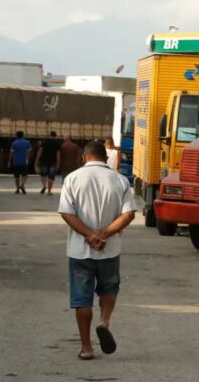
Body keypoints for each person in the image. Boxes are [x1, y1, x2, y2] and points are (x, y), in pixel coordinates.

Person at [58, 141, 136, 361]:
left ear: (84, 157)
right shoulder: (120, 180)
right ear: (106, 157)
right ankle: (104, 322)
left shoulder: (72, 178)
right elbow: (129, 214)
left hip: (80, 251)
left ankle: (86, 348)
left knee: (82, 300)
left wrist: (89, 235)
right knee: (108, 289)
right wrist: (103, 235)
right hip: (109, 250)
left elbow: (67, 213)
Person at [37, 131, 61, 195]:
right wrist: (58, 162)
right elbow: (58, 154)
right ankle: (49, 191)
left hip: (44, 161)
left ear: (50, 135)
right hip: (53, 162)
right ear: (55, 136)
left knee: (43, 174)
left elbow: (40, 151)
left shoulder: (44, 142)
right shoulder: (57, 143)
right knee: (51, 176)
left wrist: (37, 159)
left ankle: (44, 186)